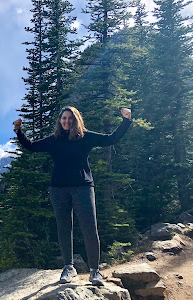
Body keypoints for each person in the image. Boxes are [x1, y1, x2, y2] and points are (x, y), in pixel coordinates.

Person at [13, 106, 132, 286]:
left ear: (76, 119)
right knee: (63, 228)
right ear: (60, 121)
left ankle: (94, 271)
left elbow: (111, 139)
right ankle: (69, 267)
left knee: (89, 228)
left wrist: (126, 120)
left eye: (70, 118)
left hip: (83, 187)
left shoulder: (85, 137)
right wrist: (18, 131)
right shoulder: (54, 140)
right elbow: (31, 146)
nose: (66, 121)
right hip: (58, 189)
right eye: (63, 118)